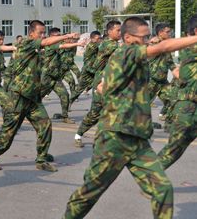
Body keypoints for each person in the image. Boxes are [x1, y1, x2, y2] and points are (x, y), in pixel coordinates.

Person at [63, 17, 197, 219]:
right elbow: (164, 47)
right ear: (128, 38)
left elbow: (106, 86)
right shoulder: (126, 52)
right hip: (114, 138)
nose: (147, 41)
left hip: (137, 140)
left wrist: (105, 88)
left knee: (163, 190)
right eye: (143, 37)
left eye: (148, 36)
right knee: (90, 192)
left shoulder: (132, 59)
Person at [0, 20, 79, 172]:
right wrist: (67, 35)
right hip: (19, 96)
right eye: (40, 33)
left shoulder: (37, 48)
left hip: (33, 97)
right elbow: (49, 42)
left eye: (44, 33)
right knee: (9, 131)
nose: (43, 35)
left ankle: (41, 158)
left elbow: (53, 45)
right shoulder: (26, 43)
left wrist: (72, 42)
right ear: (31, 34)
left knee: (45, 125)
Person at [157, 15, 197, 170]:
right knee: (175, 147)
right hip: (188, 106)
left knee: (176, 148)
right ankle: (150, 177)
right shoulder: (192, 47)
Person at [73, 20, 121, 148]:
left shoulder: (116, 44)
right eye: (118, 30)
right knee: (95, 113)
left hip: (113, 81)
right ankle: (79, 135)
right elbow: (122, 50)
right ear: (110, 32)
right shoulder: (108, 44)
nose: (120, 33)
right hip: (101, 81)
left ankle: (105, 139)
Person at [148, 23, 176, 122]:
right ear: (160, 33)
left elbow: (170, 63)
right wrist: (154, 41)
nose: (170, 34)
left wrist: (177, 73)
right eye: (167, 32)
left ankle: (163, 115)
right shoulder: (155, 44)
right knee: (143, 104)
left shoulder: (166, 46)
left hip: (163, 81)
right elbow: (148, 47)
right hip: (151, 81)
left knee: (172, 98)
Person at [69, 31, 102, 105]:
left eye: (100, 38)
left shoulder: (95, 45)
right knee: (79, 89)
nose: (99, 40)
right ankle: (69, 102)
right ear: (92, 39)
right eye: (97, 38)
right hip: (87, 70)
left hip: (93, 69)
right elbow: (87, 64)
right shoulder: (92, 46)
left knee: (99, 84)